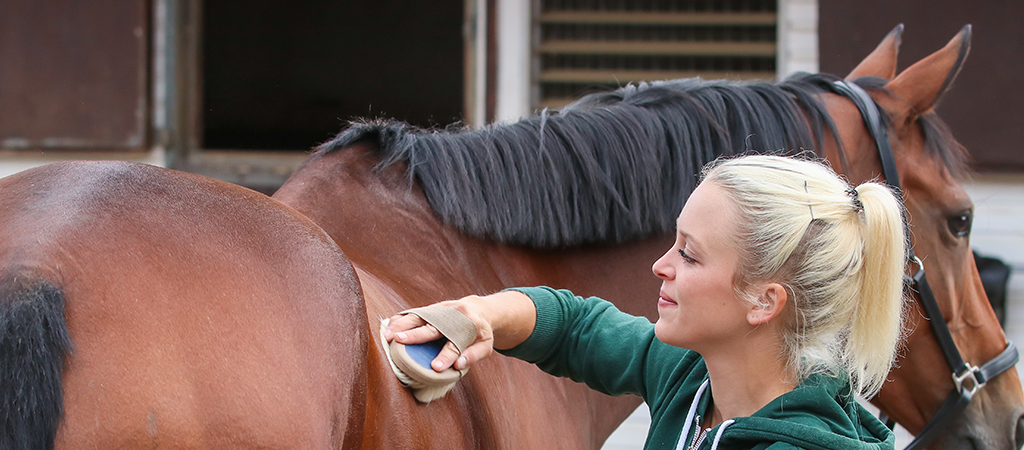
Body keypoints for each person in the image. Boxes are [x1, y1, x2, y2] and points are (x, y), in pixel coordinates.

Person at [383, 154, 906, 450]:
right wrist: (485, 315)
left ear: (763, 302)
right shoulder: (690, 378)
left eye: (690, 256)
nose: (661, 266)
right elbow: (575, 326)